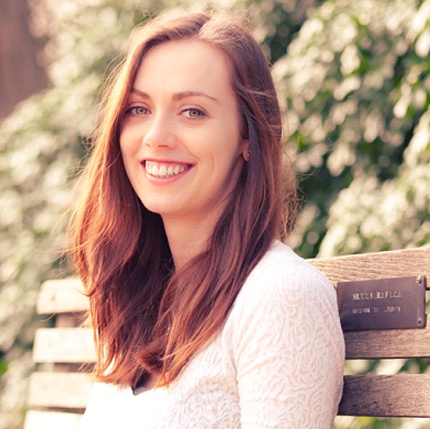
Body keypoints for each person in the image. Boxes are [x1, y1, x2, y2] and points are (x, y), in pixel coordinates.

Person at [69, 10, 344, 429]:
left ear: (247, 138)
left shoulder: (279, 298)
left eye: (192, 111)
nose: (156, 136)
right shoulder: (142, 303)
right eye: (139, 108)